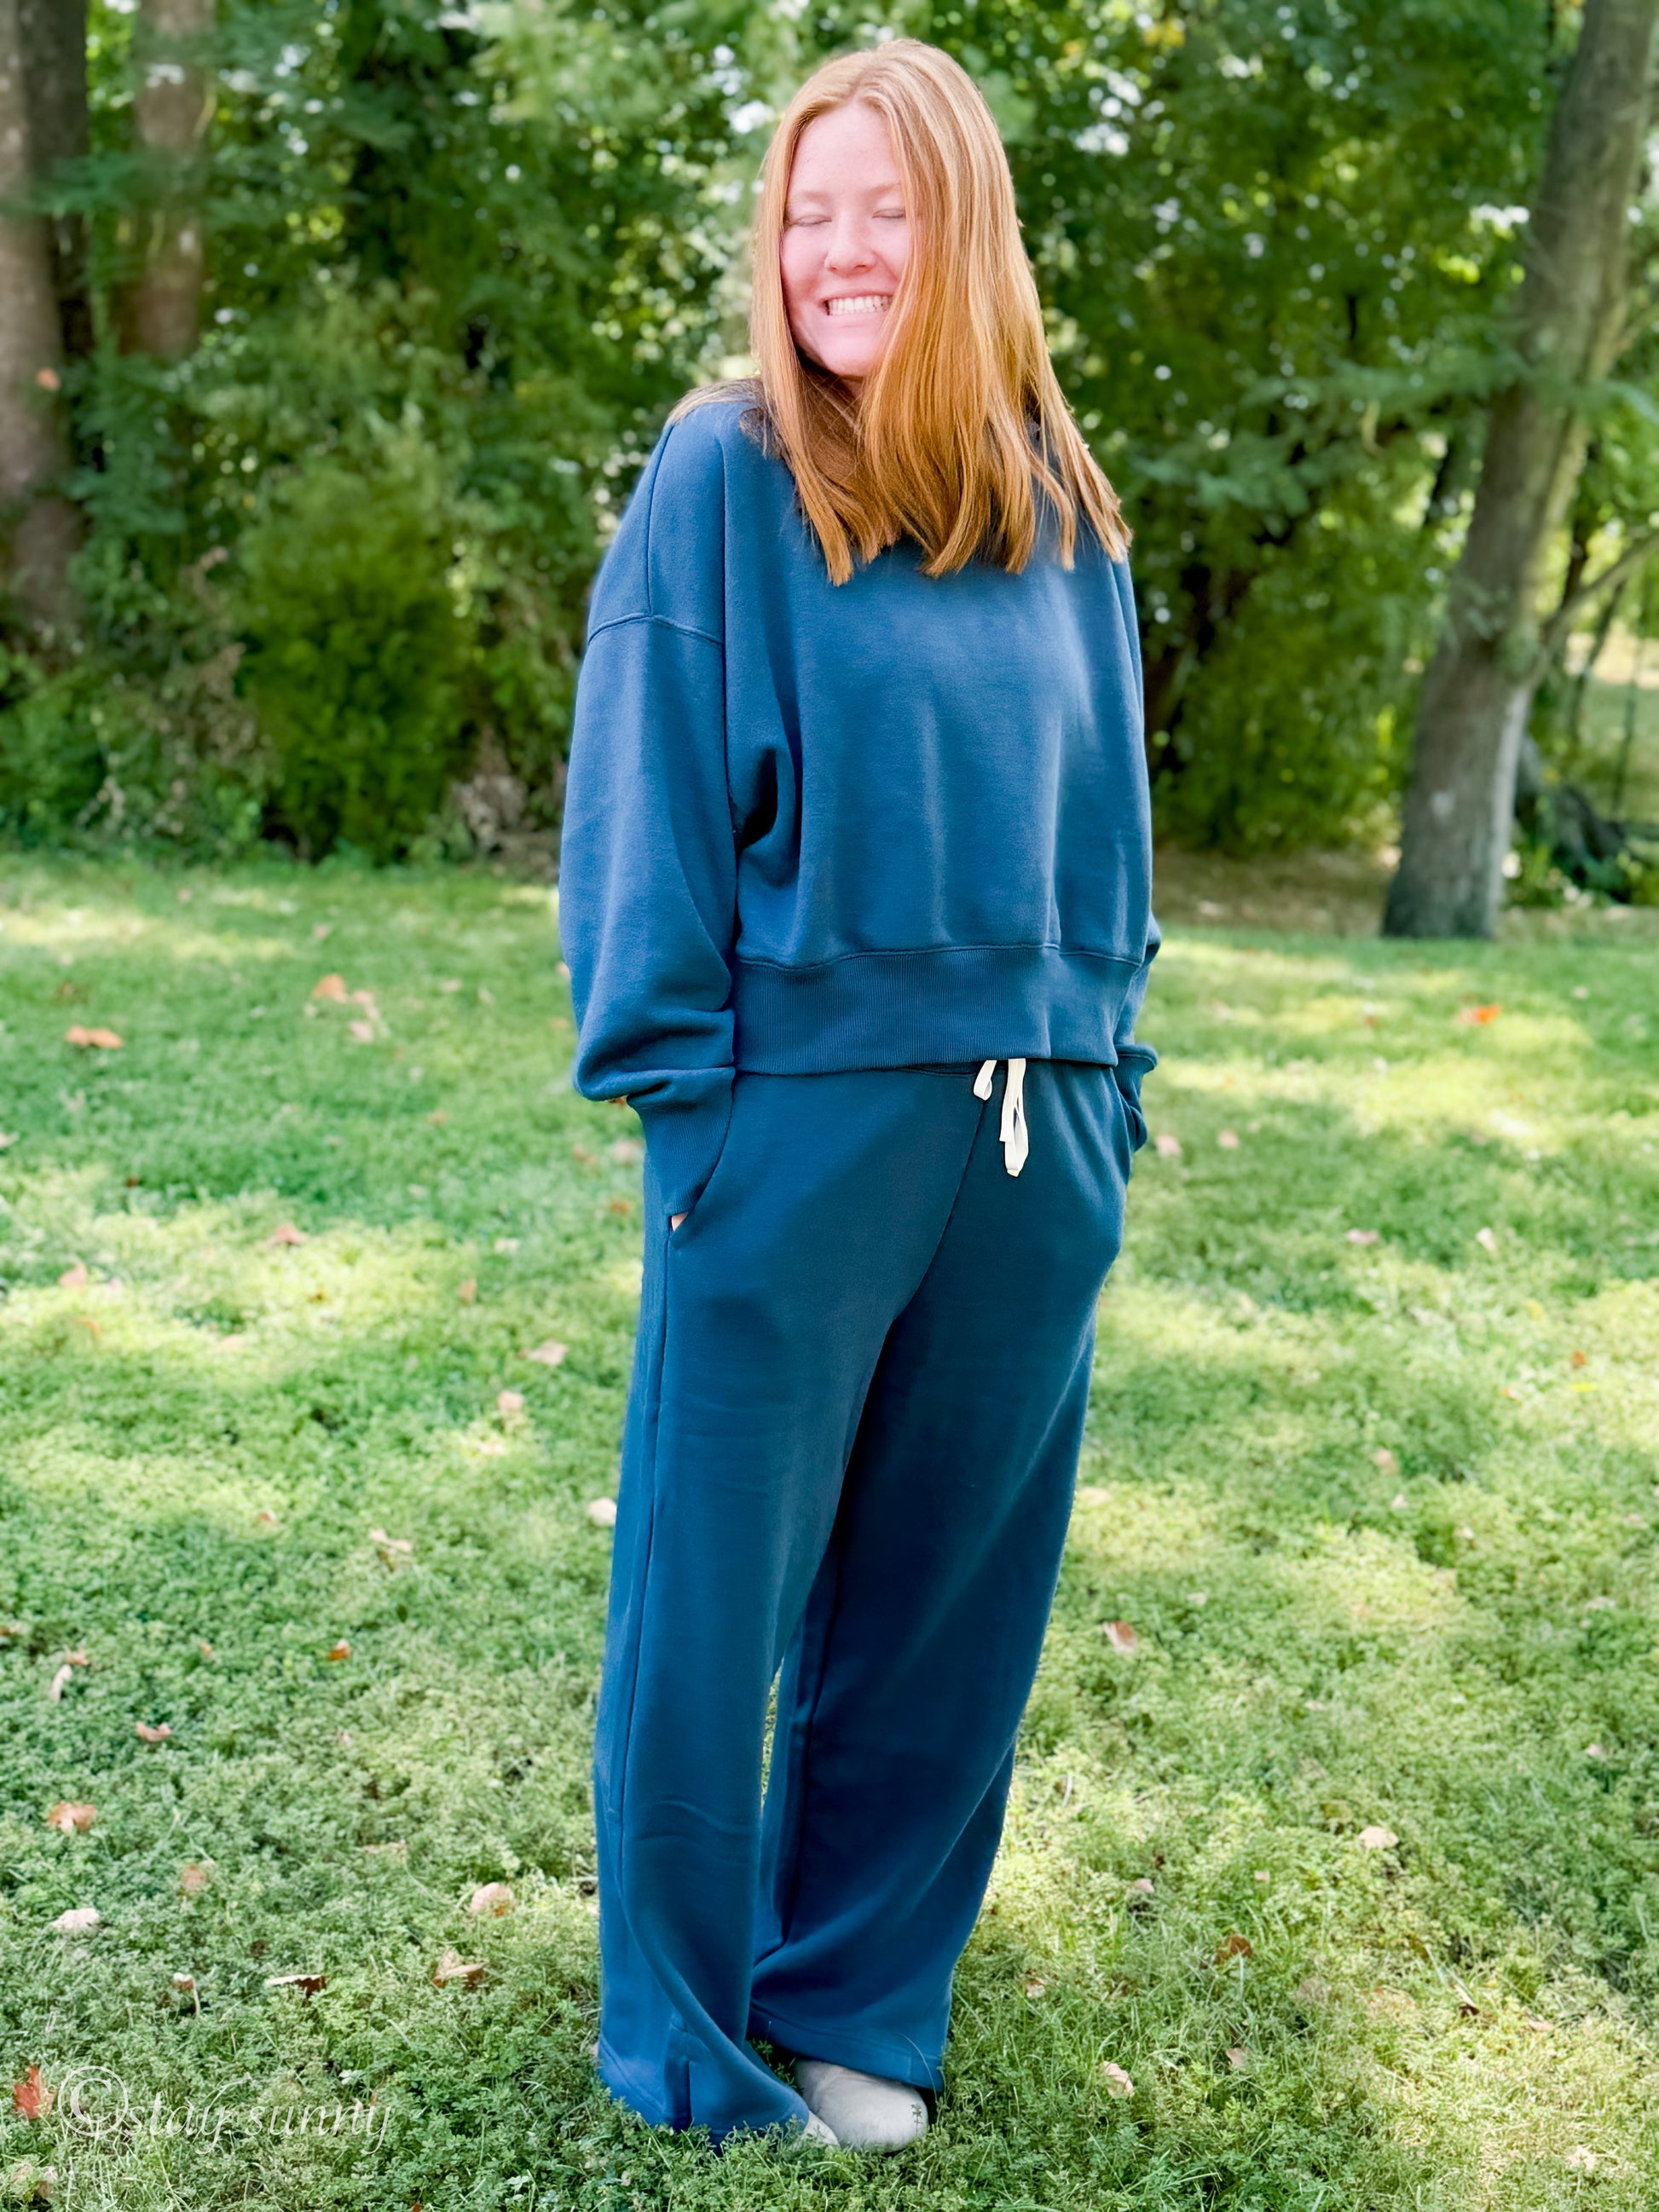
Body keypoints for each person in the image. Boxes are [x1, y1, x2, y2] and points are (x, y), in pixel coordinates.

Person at [558, 38, 1157, 2154]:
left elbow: (1111, 829)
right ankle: (686, 2033)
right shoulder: (723, 471)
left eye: (881, 209)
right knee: (708, 1603)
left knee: (946, 1611)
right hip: (792, 1125)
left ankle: (859, 2006)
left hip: (1035, 1135)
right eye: (807, 212)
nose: (836, 250)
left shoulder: (1059, 502)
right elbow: (642, 798)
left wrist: (1107, 1084)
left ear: (962, 228)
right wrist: (683, 1098)